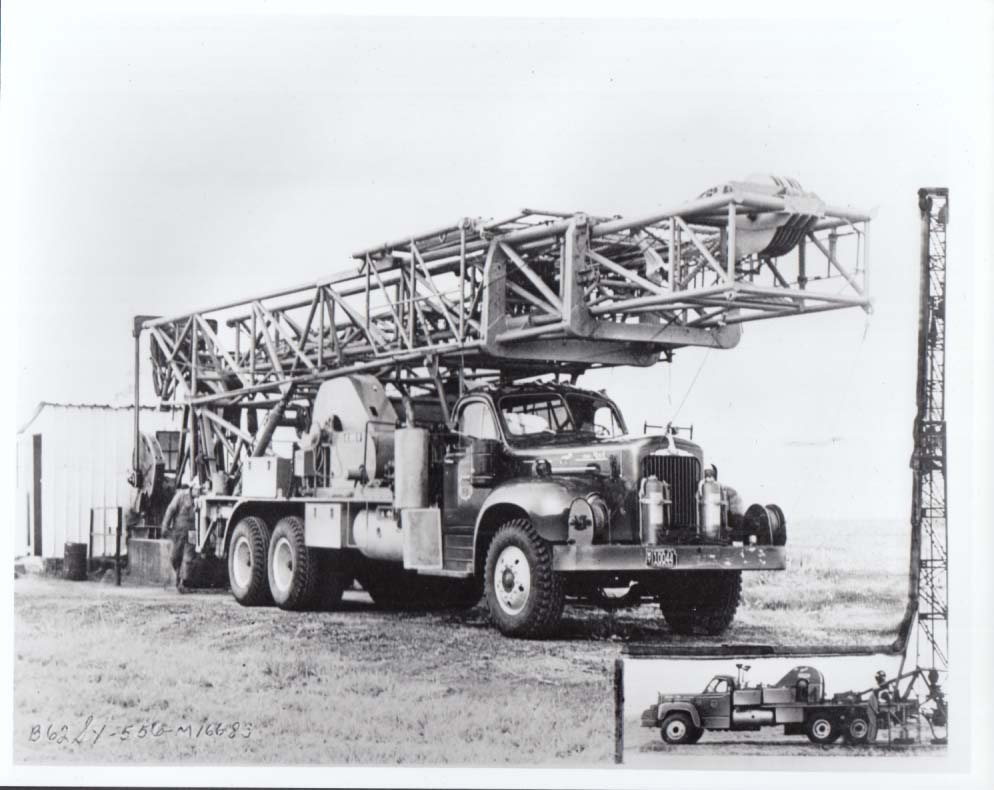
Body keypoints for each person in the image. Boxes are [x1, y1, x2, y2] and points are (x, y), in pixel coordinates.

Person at [161, 483, 196, 592]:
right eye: (197, 489)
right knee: (175, 556)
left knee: (188, 558)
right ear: (192, 488)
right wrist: (165, 525)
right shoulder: (181, 496)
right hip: (179, 531)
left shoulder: (201, 499)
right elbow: (170, 510)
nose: (198, 492)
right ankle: (178, 575)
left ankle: (183, 582)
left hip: (193, 531)